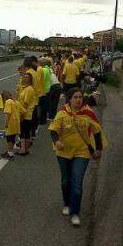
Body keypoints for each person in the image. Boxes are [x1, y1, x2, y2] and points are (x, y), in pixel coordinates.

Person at [49, 88, 106, 226]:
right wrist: (57, 141)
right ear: (70, 99)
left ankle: (75, 213)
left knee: (77, 183)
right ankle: (67, 204)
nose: (78, 99)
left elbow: (97, 131)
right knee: (65, 181)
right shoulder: (62, 113)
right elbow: (53, 130)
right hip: (63, 153)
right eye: (75, 97)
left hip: (82, 152)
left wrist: (98, 149)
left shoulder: (88, 113)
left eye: (80, 97)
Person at [1, 90, 25, 159]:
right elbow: (23, 111)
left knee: (9, 138)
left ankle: (10, 153)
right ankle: (9, 152)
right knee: (13, 137)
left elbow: (8, 114)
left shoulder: (8, 102)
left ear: (4, 98)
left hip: (11, 123)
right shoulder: (16, 102)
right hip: (17, 123)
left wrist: (6, 124)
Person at [17, 73, 35, 156]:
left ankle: (24, 150)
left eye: (27, 77)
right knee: (25, 132)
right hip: (26, 113)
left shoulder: (29, 89)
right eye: (24, 77)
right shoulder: (25, 88)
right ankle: (25, 149)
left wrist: (21, 115)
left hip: (26, 114)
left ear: (30, 79)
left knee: (23, 132)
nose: (25, 79)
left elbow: (25, 103)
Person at [24, 57, 39, 139]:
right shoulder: (35, 72)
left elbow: (25, 86)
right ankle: (33, 133)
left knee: (28, 119)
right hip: (36, 98)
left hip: (29, 99)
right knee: (34, 117)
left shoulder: (27, 73)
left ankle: (27, 137)